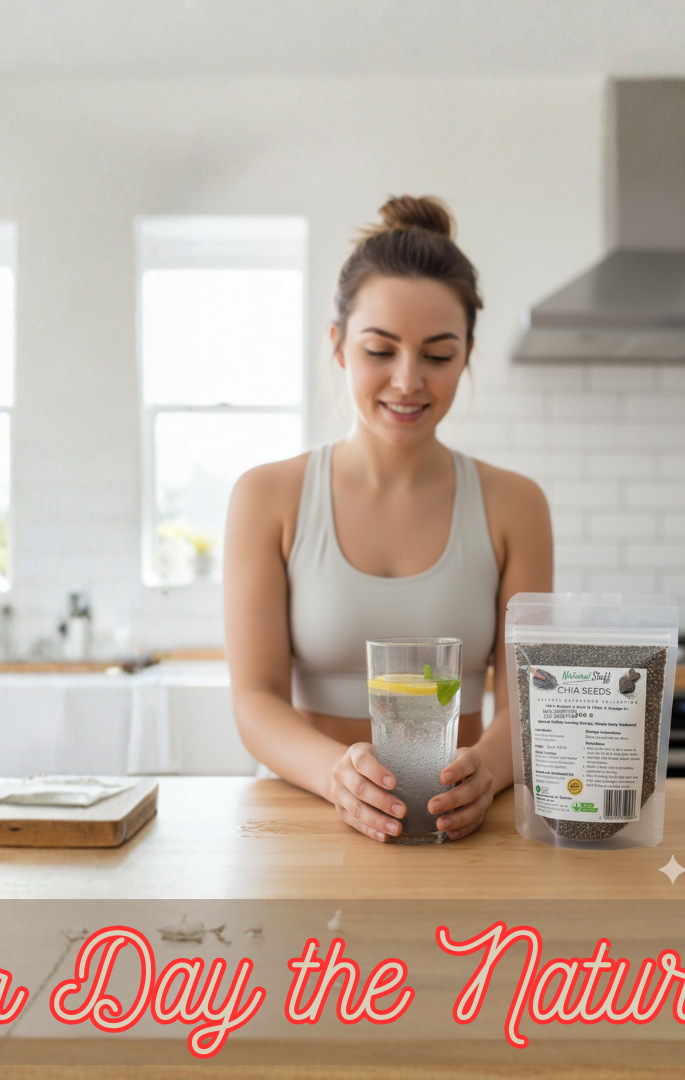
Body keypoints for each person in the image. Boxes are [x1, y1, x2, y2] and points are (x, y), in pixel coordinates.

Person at [224, 195, 554, 842]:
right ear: (339, 347)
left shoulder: (517, 505)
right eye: (381, 350)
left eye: (437, 355)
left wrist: (486, 770)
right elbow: (254, 701)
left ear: (466, 355)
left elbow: (527, 704)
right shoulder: (267, 497)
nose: (408, 382)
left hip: (458, 832)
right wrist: (338, 777)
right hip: (304, 828)